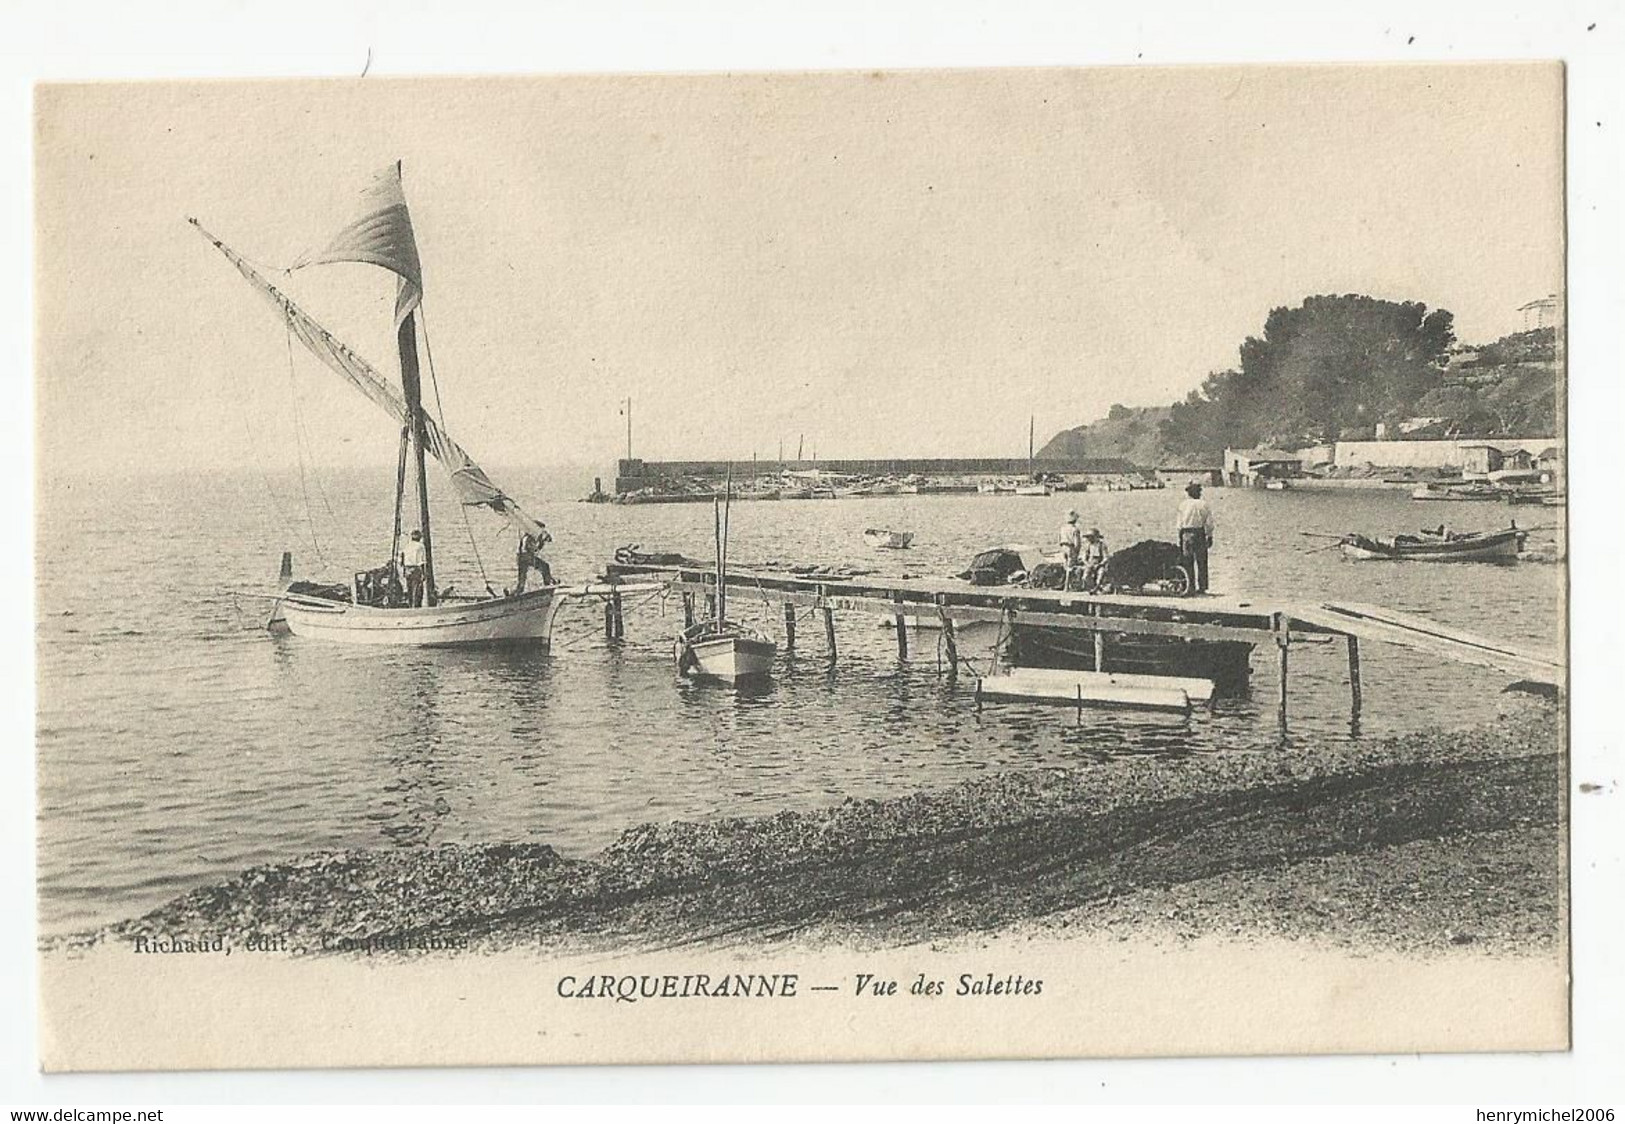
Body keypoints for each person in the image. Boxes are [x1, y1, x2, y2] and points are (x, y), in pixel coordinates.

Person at [1175, 481, 1215, 593]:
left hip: (1186, 533)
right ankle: (1202, 587)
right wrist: (1210, 536)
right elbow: (1209, 523)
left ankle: (1189, 586)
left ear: (1189, 493)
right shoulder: (1204, 504)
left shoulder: (1182, 505)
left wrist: (1180, 536)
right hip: (1199, 533)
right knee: (1202, 561)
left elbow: (1179, 524)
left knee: (1187, 560)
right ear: (1198, 493)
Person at [401, 529, 427, 607]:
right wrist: (423, 573)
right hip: (416, 569)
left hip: (407, 568)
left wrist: (404, 569)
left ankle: (410, 605)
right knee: (417, 589)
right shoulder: (420, 546)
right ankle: (416, 607)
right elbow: (421, 561)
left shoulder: (407, 545)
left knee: (409, 589)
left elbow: (402, 558)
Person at [1082, 527, 1108, 591]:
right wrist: (1087, 563)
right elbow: (1084, 557)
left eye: (1091, 537)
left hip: (1099, 564)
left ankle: (1097, 587)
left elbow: (1106, 557)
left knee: (1100, 575)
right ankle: (1091, 588)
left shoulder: (1102, 545)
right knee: (1085, 577)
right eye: (1088, 537)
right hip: (1090, 563)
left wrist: (1100, 564)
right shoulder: (1088, 545)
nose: (1089, 539)